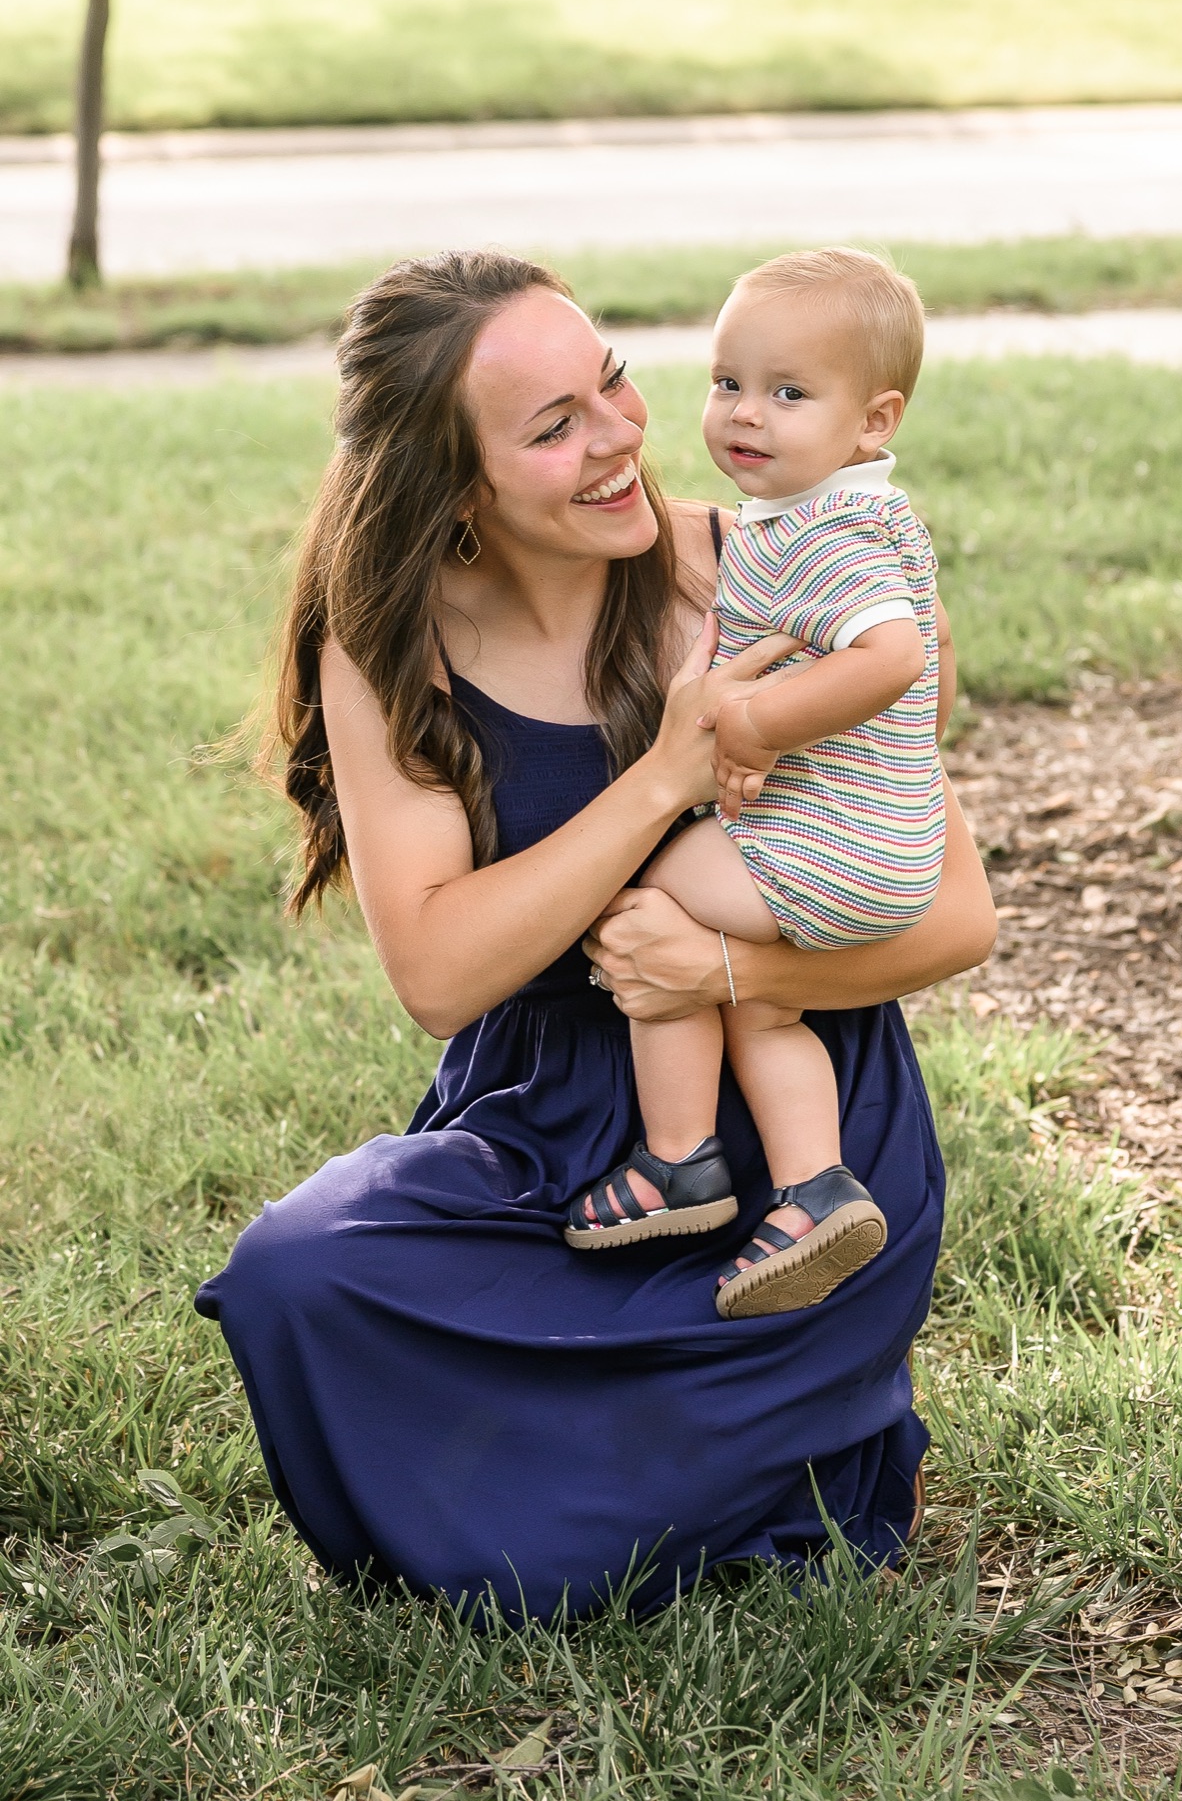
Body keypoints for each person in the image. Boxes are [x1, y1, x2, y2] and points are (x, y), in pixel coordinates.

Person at [195, 249, 996, 1624]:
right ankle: (706, 1456)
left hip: (794, 1134)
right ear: (456, 487)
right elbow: (439, 976)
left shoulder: (772, 566)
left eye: (611, 381)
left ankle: (796, 1436)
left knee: (596, 1552)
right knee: (297, 1273)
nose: (620, 436)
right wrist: (665, 780)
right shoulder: (389, 644)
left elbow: (957, 915)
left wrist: (728, 969)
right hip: (551, 1129)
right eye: (553, 427)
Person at [565, 249, 949, 1327]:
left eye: (787, 393)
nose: (744, 414)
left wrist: (743, 720)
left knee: (637, 871)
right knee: (762, 1007)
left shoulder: (813, 538)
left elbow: (888, 659)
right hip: (886, 857)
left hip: (824, 858)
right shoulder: (869, 515)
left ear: (872, 421)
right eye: (727, 382)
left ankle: (679, 1157)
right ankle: (813, 1190)